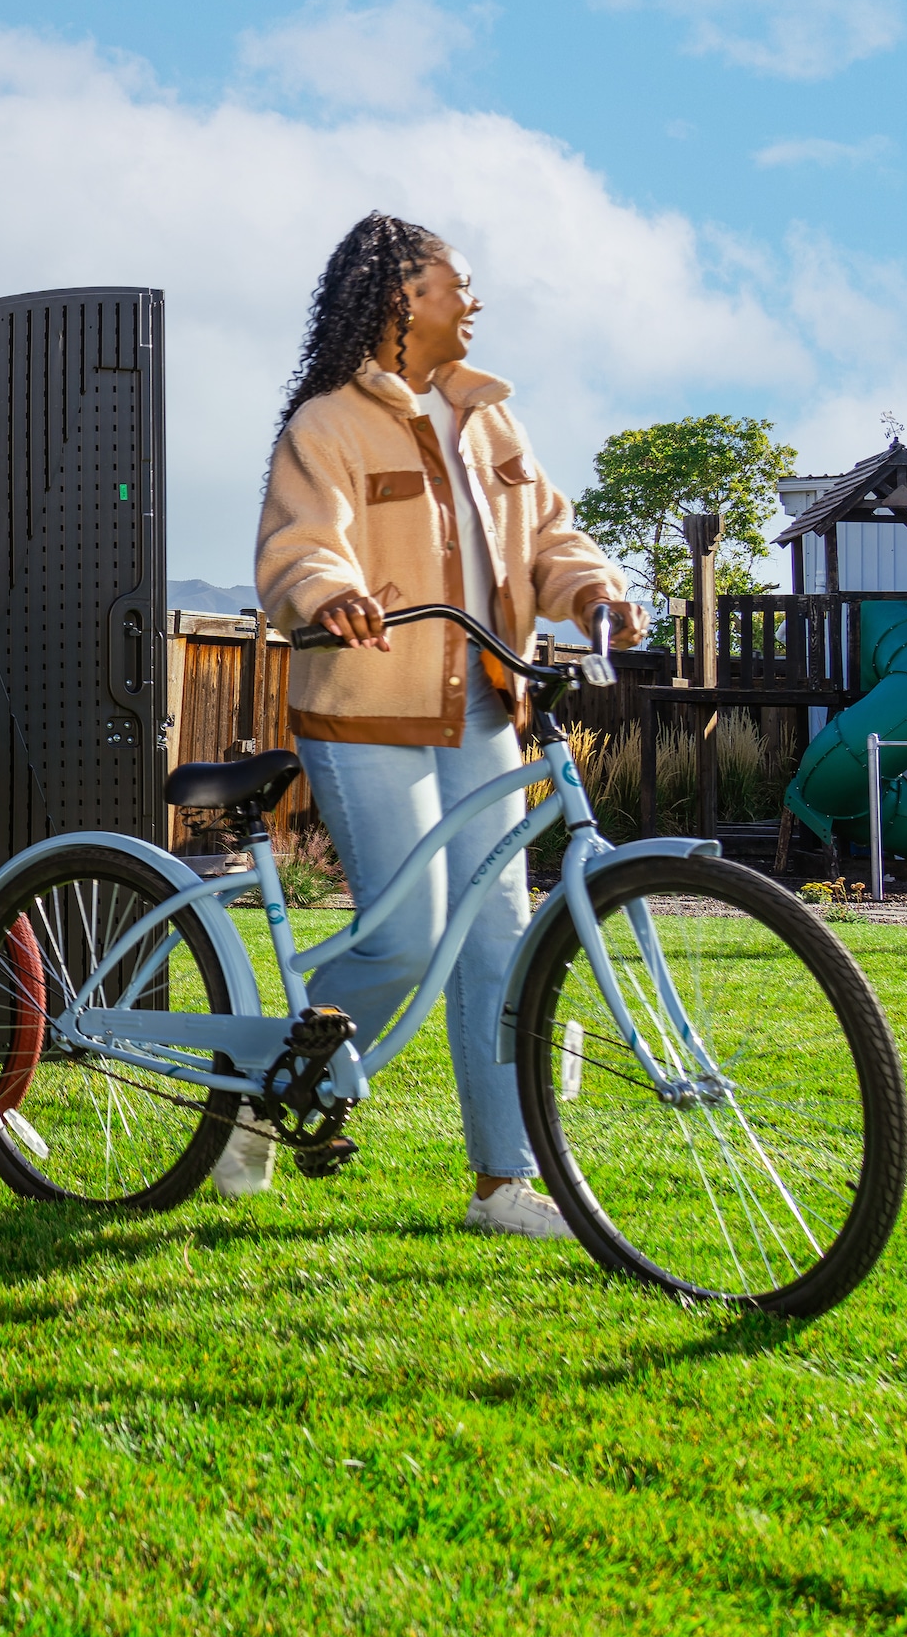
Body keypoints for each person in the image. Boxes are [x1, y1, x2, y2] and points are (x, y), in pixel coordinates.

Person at [249, 213, 646, 1231]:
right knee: (407, 935)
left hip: (483, 703)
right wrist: (329, 590)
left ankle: (503, 1181)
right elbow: (302, 542)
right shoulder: (327, 423)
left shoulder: (490, 418)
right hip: (368, 706)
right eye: (458, 284)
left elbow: (550, 535)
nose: (475, 301)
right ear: (401, 299)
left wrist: (595, 592)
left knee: (500, 939)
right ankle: (265, 1071)